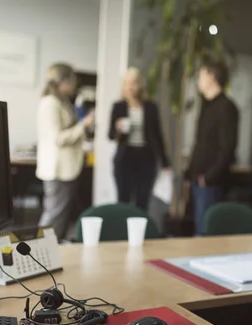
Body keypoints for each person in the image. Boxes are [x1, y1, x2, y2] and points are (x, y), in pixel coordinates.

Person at [36, 63, 94, 240]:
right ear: (62, 81)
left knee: (59, 215)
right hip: (58, 169)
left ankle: (50, 251)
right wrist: (83, 125)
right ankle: (39, 251)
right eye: (72, 80)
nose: (75, 84)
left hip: (67, 168)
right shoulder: (50, 104)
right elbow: (58, 138)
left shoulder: (63, 101)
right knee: (54, 215)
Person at [185, 59, 239, 235]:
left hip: (210, 181)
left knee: (206, 231)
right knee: (197, 228)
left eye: (201, 75)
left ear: (212, 77)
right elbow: (200, 143)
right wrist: (190, 172)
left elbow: (227, 147)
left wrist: (209, 177)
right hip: (198, 178)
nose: (198, 80)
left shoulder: (226, 107)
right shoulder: (206, 106)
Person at [108, 67, 170, 211]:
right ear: (123, 86)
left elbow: (158, 135)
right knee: (123, 202)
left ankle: (140, 233)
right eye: (127, 83)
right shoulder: (118, 107)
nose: (131, 87)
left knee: (142, 203)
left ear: (140, 85)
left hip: (146, 160)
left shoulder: (150, 107)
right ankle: (122, 233)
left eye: (134, 83)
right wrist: (118, 129)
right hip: (125, 160)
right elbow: (110, 135)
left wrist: (165, 162)